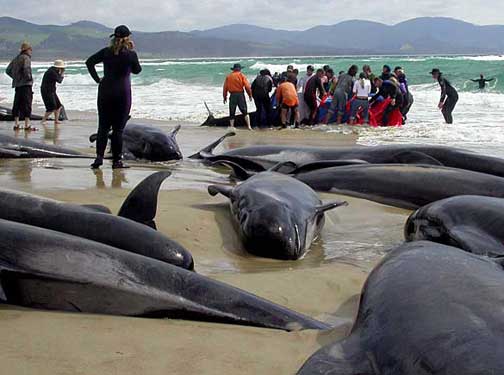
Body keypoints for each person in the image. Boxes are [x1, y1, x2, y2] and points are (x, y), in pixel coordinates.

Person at [86, 25, 142, 169]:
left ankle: (99, 158)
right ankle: (117, 161)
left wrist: (98, 79)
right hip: (122, 93)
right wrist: (130, 51)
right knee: (118, 130)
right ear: (127, 38)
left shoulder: (106, 52)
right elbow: (137, 70)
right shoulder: (130, 54)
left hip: (105, 92)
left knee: (103, 127)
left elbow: (89, 62)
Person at [5, 42, 34, 131]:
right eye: (30, 50)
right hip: (26, 84)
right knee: (27, 104)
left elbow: (8, 70)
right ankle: (27, 124)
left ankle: (16, 124)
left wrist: (15, 78)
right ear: (28, 50)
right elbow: (26, 69)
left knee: (17, 104)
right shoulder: (26, 58)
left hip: (17, 85)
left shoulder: (16, 58)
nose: (31, 52)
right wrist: (29, 79)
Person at [223, 63, 253, 130]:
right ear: (239, 69)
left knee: (232, 111)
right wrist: (250, 95)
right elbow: (247, 86)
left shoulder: (228, 76)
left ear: (233, 69)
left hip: (232, 95)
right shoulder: (241, 75)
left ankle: (232, 126)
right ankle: (249, 126)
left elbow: (225, 88)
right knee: (244, 110)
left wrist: (224, 97)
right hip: (240, 95)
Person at [41, 60, 66, 126]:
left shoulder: (54, 70)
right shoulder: (52, 72)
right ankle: (43, 120)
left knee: (58, 106)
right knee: (51, 107)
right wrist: (62, 74)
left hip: (51, 90)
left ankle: (56, 120)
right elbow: (59, 80)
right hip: (47, 91)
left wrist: (60, 73)